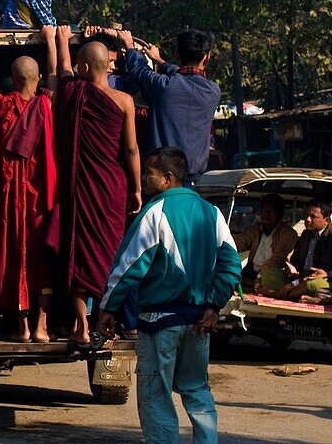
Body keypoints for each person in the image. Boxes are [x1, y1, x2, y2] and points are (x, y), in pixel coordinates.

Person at [99, 146, 240, 444]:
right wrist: (213, 306)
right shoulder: (211, 213)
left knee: (155, 393)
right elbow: (230, 268)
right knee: (197, 390)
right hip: (199, 320)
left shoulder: (155, 212)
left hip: (161, 320)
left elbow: (129, 267)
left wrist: (109, 307)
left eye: (148, 173)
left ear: (167, 177)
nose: (144, 179)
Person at [49, 27, 142, 345]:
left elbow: (61, 75)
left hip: (82, 187)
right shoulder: (125, 101)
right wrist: (137, 188)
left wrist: (60, 42)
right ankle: (107, 324)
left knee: (78, 254)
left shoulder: (73, 92)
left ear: (84, 67)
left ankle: (82, 328)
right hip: (112, 187)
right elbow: (131, 150)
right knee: (110, 256)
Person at [0, 24, 57, 342]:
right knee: (40, 259)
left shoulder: (2, 106)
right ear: (36, 79)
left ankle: (21, 327)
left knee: (14, 256)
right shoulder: (46, 105)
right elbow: (57, 79)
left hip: (8, 197)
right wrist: (52, 41)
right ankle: (42, 326)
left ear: (13, 78)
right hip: (39, 197)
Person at [120, 29, 221, 182]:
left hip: (160, 178)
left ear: (177, 54)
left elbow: (140, 71)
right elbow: (182, 78)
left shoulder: (164, 86)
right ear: (206, 58)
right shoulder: (213, 91)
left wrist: (129, 45)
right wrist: (160, 61)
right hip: (195, 178)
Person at [257, 200, 332, 301]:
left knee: (310, 285)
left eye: (313, 217)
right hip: (301, 277)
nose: (307, 220)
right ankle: (289, 293)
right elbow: (296, 260)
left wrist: (295, 283)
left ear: (326, 220)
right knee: (267, 274)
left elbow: (320, 272)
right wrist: (292, 268)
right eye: (306, 215)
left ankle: (276, 294)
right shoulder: (306, 234)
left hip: (321, 279)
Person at [233, 194, 298, 291]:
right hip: (251, 273)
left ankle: (255, 286)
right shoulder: (255, 229)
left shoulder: (288, 234)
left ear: (279, 214)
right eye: (263, 211)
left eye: (270, 211)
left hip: (271, 274)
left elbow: (277, 259)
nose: (265, 215)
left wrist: (260, 276)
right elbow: (238, 242)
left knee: (267, 277)